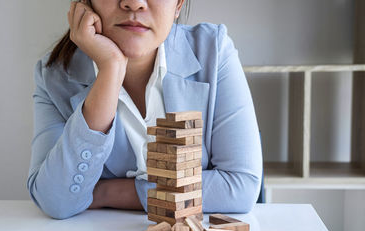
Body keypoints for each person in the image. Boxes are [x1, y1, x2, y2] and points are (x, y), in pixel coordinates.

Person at [27, 0, 263, 219]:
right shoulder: (54, 76)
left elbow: (239, 187)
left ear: (179, 4)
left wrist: (109, 193)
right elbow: (55, 201)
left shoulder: (214, 49)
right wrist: (110, 69)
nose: (134, 2)